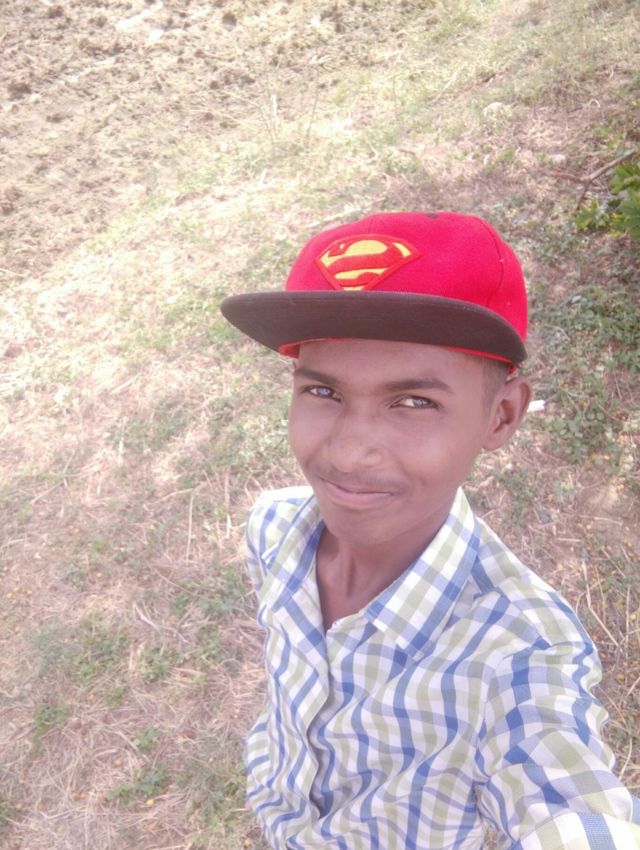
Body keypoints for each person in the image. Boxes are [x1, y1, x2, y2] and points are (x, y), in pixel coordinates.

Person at [220, 211, 640, 850]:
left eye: (414, 402)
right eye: (323, 392)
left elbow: (569, 799)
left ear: (501, 417)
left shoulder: (519, 655)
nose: (349, 451)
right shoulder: (274, 529)